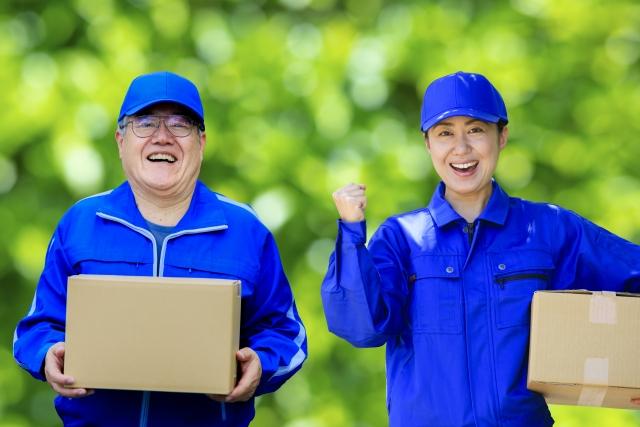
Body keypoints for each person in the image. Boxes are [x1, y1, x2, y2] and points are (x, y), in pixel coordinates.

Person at [321, 71, 640, 426]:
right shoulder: (402, 238)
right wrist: (351, 234)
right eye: (445, 133)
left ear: (501, 136)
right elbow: (362, 328)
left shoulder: (547, 229)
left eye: (475, 130)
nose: (461, 148)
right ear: (428, 144)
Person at [13, 71, 307, 426]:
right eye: (146, 123)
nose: (162, 137)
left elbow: (287, 334)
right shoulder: (81, 222)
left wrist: (260, 364)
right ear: (121, 140)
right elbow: (34, 328)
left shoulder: (245, 229)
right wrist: (48, 356)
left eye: (180, 125)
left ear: (202, 142)